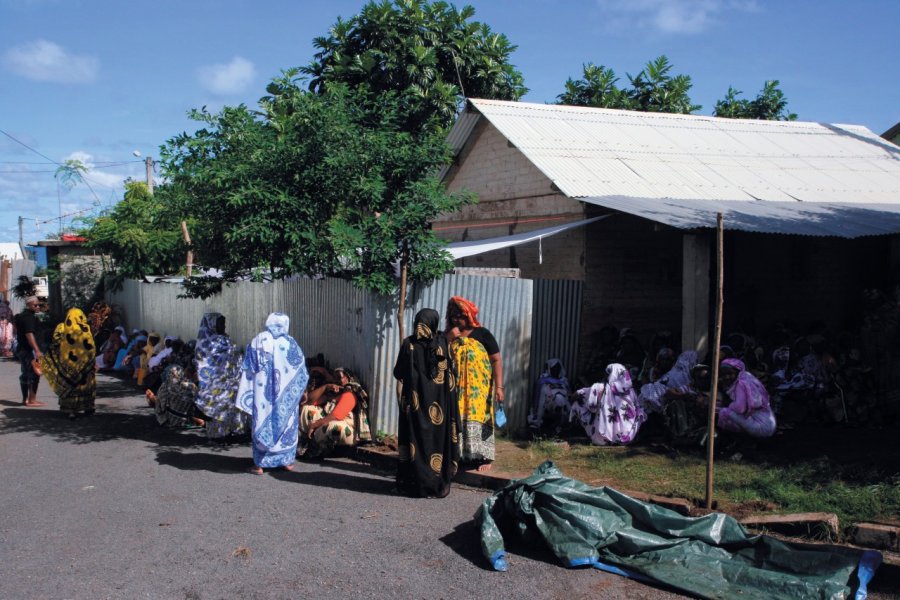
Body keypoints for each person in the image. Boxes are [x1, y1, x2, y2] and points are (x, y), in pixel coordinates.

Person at [393, 308, 461, 498]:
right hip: (440, 408)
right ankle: (436, 483)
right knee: (437, 443)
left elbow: (398, 373)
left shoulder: (409, 345)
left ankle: (415, 484)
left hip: (415, 408)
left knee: (416, 442)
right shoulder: (442, 344)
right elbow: (450, 377)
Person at [236, 313, 308, 474]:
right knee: (286, 425)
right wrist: (301, 392)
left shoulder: (258, 340)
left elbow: (248, 368)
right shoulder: (290, 343)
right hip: (286, 398)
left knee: (262, 421)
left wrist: (247, 391)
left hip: (263, 397)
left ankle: (259, 465)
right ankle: (286, 462)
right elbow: (301, 371)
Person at [446, 296, 504, 472]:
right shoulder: (449, 335)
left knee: (482, 418)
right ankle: (459, 457)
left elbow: (496, 360)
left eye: (460, 315)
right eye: (453, 315)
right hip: (456, 389)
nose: (457, 319)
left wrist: (499, 387)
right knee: (456, 419)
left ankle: (484, 457)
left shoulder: (483, 334)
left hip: (479, 391)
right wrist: (448, 338)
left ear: (469, 315)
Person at [194, 312, 247, 440]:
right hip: (214, 383)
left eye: (224, 323)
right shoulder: (206, 343)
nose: (224, 326)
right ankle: (218, 434)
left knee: (231, 406)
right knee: (217, 406)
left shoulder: (225, 338)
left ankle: (233, 431)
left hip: (230, 382)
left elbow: (232, 356)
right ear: (212, 324)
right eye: (220, 323)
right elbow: (204, 362)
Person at [299, 366, 371, 458]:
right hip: (326, 423)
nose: (338, 380)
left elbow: (336, 416)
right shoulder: (333, 395)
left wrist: (315, 425)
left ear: (348, 379)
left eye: (340, 377)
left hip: (348, 431)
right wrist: (325, 387)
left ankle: (316, 448)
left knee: (333, 426)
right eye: (335, 378)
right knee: (307, 410)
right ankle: (304, 442)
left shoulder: (350, 394)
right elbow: (308, 401)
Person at [41, 307, 96, 420]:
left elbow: (56, 342)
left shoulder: (62, 327)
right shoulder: (85, 328)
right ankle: (88, 407)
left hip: (68, 364)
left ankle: (71, 411)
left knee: (70, 385)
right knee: (85, 385)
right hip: (85, 365)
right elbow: (91, 346)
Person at [570, 363, 645, 445]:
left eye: (607, 374)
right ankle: (618, 438)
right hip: (627, 435)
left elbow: (580, 396)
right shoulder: (632, 391)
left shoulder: (601, 387)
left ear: (612, 374)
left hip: (602, 439)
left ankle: (580, 431)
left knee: (577, 404)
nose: (606, 376)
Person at [717, 358, 776, 438]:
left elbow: (740, 408)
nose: (726, 377)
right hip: (769, 426)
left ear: (738, 372)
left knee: (723, 412)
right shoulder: (748, 378)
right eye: (723, 374)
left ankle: (735, 437)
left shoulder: (741, 383)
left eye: (730, 373)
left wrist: (728, 405)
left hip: (761, 427)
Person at [150, 363, 205, 429]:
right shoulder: (191, 385)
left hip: (169, 419)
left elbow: (162, 406)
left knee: (159, 400)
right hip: (185, 418)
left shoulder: (165, 385)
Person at [527, 358, 571, 438]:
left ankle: (560, 428)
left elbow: (569, 395)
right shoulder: (543, 381)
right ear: (549, 369)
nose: (556, 370)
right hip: (548, 405)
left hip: (563, 406)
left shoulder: (564, 381)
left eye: (558, 368)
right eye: (554, 368)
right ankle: (537, 424)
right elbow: (539, 400)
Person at [14, 296, 45, 406]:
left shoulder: (21, 316)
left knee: (25, 374)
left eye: (38, 305)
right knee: (35, 374)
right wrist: (36, 350)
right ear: (28, 305)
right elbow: (29, 333)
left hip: (22, 349)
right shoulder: (29, 317)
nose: (38, 307)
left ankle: (25, 399)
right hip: (29, 350)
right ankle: (32, 400)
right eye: (35, 305)